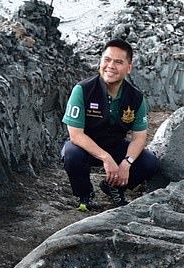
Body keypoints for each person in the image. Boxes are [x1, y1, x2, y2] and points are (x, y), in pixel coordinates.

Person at [61, 39, 159, 212]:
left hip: (115, 146)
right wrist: (106, 158)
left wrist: (126, 163)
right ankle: (85, 194)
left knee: (149, 162)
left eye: (118, 62)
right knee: (71, 154)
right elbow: (75, 135)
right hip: (86, 147)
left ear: (129, 68)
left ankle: (113, 187)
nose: (110, 66)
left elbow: (139, 138)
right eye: (107, 60)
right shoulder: (83, 90)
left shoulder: (136, 98)